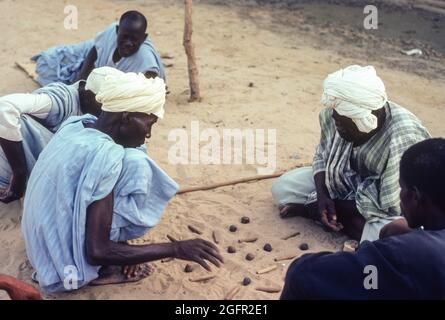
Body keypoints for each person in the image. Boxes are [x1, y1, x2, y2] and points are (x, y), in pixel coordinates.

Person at [21, 72, 223, 293]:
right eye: (150, 123)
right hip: (60, 268)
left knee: (135, 158)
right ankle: (106, 270)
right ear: (126, 116)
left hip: (38, 244)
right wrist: (176, 248)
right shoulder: (106, 156)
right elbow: (97, 251)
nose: (149, 133)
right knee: (136, 163)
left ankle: (118, 250)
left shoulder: (77, 124)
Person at [272, 65, 430, 242]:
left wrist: (331, 206)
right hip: (343, 183)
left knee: (388, 234)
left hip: (382, 203)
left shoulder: (402, 136)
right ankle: (331, 215)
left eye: (342, 120)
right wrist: (323, 196)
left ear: (370, 117)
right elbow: (322, 155)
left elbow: (389, 204)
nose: (334, 120)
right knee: (283, 188)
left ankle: (326, 215)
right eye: (335, 115)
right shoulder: (338, 114)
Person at [281, 138, 445, 300]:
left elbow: (304, 273)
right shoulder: (421, 246)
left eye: (401, 188)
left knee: (300, 275)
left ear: (414, 196)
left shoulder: (412, 253)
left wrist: (409, 244)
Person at [0, 66, 122, 203]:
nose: (111, 112)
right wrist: (19, 174)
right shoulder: (61, 101)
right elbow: (5, 107)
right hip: (10, 172)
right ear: (88, 96)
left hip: (42, 172)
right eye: (107, 105)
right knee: (18, 123)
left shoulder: (95, 110)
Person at [32, 10, 165, 86]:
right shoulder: (110, 34)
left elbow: (149, 92)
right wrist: (81, 79)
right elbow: (95, 50)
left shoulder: (146, 64)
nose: (128, 43)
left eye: (134, 39)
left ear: (143, 38)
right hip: (92, 49)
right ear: (117, 31)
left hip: (103, 72)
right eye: (124, 37)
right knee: (46, 61)